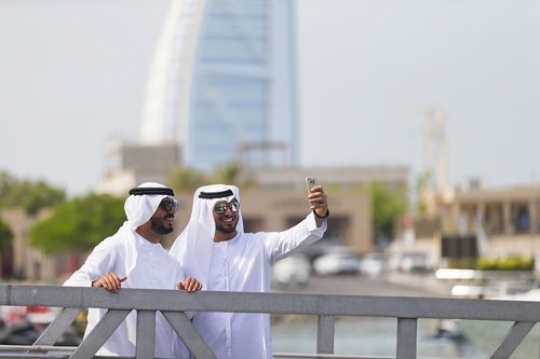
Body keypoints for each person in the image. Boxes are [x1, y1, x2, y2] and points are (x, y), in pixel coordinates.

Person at [169, 182, 329, 359]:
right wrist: (183, 292)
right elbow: (171, 306)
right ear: (206, 212)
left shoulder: (258, 246)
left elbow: (294, 237)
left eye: (234, 205)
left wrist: (318, 215)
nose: (229, 212)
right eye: (221, 208)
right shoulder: (188, 252)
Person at [63, 182, 202, 358]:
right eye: (166, 205)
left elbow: (188, 316)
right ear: (145, 208)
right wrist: (96, 284)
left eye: (174, 205)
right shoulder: (115, 246)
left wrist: (188, 294)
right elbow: (70, 286)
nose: (172, 212)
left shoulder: (171, 263)